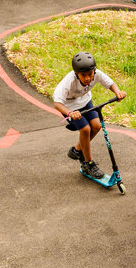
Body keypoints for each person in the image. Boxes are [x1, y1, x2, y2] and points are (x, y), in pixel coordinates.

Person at [53, 51, 126, 180]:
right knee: (85, 129)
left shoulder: (96, 74)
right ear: (76, 74)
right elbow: (57, 103)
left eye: (90, 74)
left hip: (85, 102)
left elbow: (110, 83)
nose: (87, 78)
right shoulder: (68, 82)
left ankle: (77, 150)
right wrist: (70, 113)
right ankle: (88, 163)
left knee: (97, 126)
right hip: (69, 107)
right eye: (83, 75)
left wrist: (118, 92)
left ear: (94, 71)